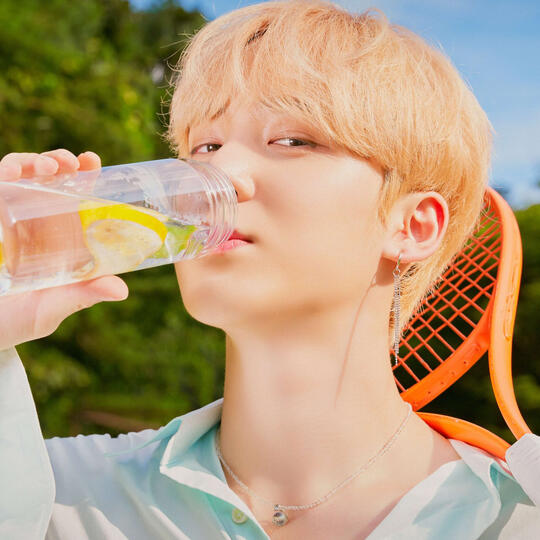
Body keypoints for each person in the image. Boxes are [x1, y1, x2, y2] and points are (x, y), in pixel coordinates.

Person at [0, 1, 539, 538]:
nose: (221, 173)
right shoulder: (56, 495)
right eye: (205, 145)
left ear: (413, 227)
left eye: (292, 141)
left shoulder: (513, 519)